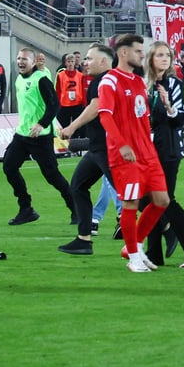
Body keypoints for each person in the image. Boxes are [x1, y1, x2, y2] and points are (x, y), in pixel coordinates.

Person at [97, 34, 171, 272]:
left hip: (147, 153)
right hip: (125, 155)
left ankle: (134, 246)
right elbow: (105, 116)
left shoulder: (139, 82)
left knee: (162, 201)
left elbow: (143, 118)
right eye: (138, 51)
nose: (142, 55)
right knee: (131, 203)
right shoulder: (110, 81)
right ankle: (134, 258)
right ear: (123, 52)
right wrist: (122, 144)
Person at [139, 41, 184, 269]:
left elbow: (181, 119)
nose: (164, 59)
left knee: (165, 201)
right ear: (150, 59)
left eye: (167, 56)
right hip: (147, 150)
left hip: (168, 150)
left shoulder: (174, 84)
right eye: (159, 55)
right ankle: (154, 254)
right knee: (150, 202)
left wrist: (169, 106)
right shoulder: (143, 84)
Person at [2, 48, 75, 225]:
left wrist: (42, 123)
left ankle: (76, 208)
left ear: (33, 62)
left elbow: (54, 105)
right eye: (19, 58)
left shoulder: (41, 79)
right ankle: (26, 208)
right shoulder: (19, 79)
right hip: (22, 134)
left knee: (52, 175)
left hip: (40, 136)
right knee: (9, 167)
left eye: (24, 59)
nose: (20, 62)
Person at [57, 44, 115, 256]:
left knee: (131, 195)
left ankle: (167, 225)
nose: (85, 62)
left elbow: (95, 107)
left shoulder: (103, 81)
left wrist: (72, 127)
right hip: (97, 147)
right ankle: (84, 239)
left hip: (107, 148)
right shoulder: (105, 79)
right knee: (78, 186)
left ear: (104, 61)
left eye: (90, 58)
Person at [54, 53, 86, 132]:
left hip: (77, 104)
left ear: (75, 62)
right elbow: (58, 90)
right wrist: (57, 103)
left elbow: (83, 89)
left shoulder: (80, 75)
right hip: (64, 104)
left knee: (78, 127)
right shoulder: (60, 75)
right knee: (63, 126)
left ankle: (77, 139)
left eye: (72, 61)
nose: (70, 64)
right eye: (68, 61)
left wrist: (84, 103)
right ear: (65, 63)